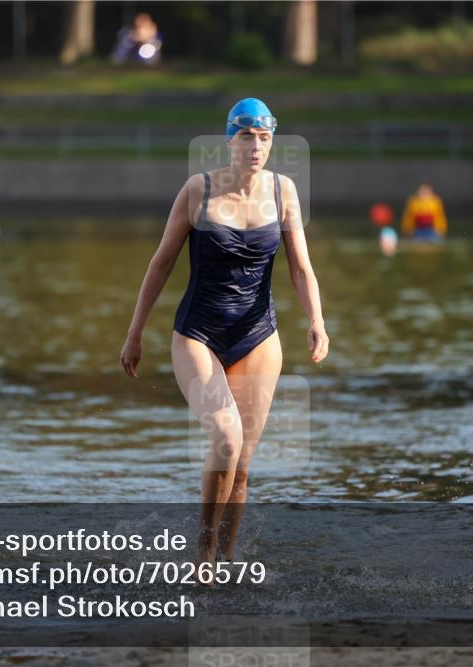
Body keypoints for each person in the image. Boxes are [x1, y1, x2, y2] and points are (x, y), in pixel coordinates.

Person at [119, 98, 329, 576]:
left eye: (264, 137)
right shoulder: (199, 190)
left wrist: (316, 319)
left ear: (271, 141)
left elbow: (300, 268)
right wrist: (135, 332)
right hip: (198, 333)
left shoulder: (284, 192)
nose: (255, 147)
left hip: (258, 334)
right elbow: (162, 263)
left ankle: (229, 563)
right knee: (227, 439)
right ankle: (205, 551)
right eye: (246, 137)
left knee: (244, 462)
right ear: (229, 140)